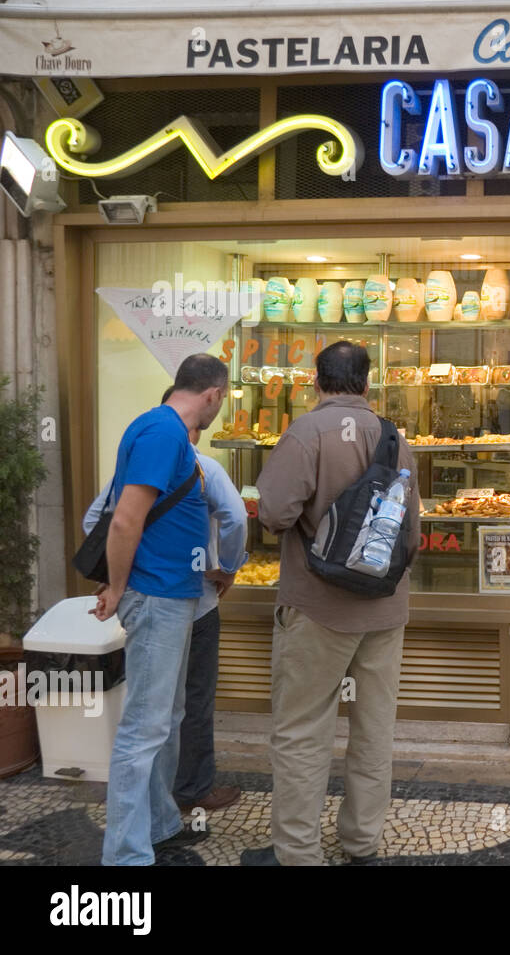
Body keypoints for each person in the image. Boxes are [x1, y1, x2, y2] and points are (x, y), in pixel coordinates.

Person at [242, 341, 421, 866]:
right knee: (374, 730)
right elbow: (410, 532)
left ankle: (297, 853)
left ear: (315, 382)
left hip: (317, 607)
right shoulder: (395, 438)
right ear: (368, 384)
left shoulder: (305, 433)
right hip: (385, 612)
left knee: (302, 730)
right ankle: (362, 842)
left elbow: (273, 512)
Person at [85, 387, 247, 820]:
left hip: (173, 596)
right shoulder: (190, 458)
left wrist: (120, 578)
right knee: (163, 718)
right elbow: (235, 518)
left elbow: (95, 521)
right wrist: (226, 567)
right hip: (177, 599)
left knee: (167, 715)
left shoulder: (153, 449)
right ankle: (135, 843)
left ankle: (161, 818)